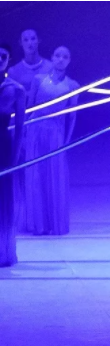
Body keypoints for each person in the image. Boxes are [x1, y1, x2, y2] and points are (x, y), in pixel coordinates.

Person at [22, 46, 79, 235]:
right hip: (35, 130)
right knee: (36, 175)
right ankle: (38, 224)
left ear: (69, 60)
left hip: (56, 134)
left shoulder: (72, 85)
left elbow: (72, 116)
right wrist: (24, 133)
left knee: (55, 175)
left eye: (65, 56)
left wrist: (67, 142)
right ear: (52, 58)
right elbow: (29, 107)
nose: (61, 59)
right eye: (58, 55)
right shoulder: (38, 79)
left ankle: (54, 223)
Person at [7, 29, 53, 232]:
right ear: (20, 43)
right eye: (25, 39)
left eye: (33, 38)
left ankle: (44, 218)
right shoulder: (14, 71)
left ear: (39, 40)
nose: (30, 42)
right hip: (22, 127)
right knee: (22, 174)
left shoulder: (50, 67)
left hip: (44, 127)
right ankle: (24, 218)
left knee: (43, 172)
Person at [0, 43, 26, 267]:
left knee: (3, 196)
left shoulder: (16, 89)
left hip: (3, 146)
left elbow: (20, 129)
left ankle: (2, 250)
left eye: (3, 56)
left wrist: (16, 158)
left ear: (9, 60)